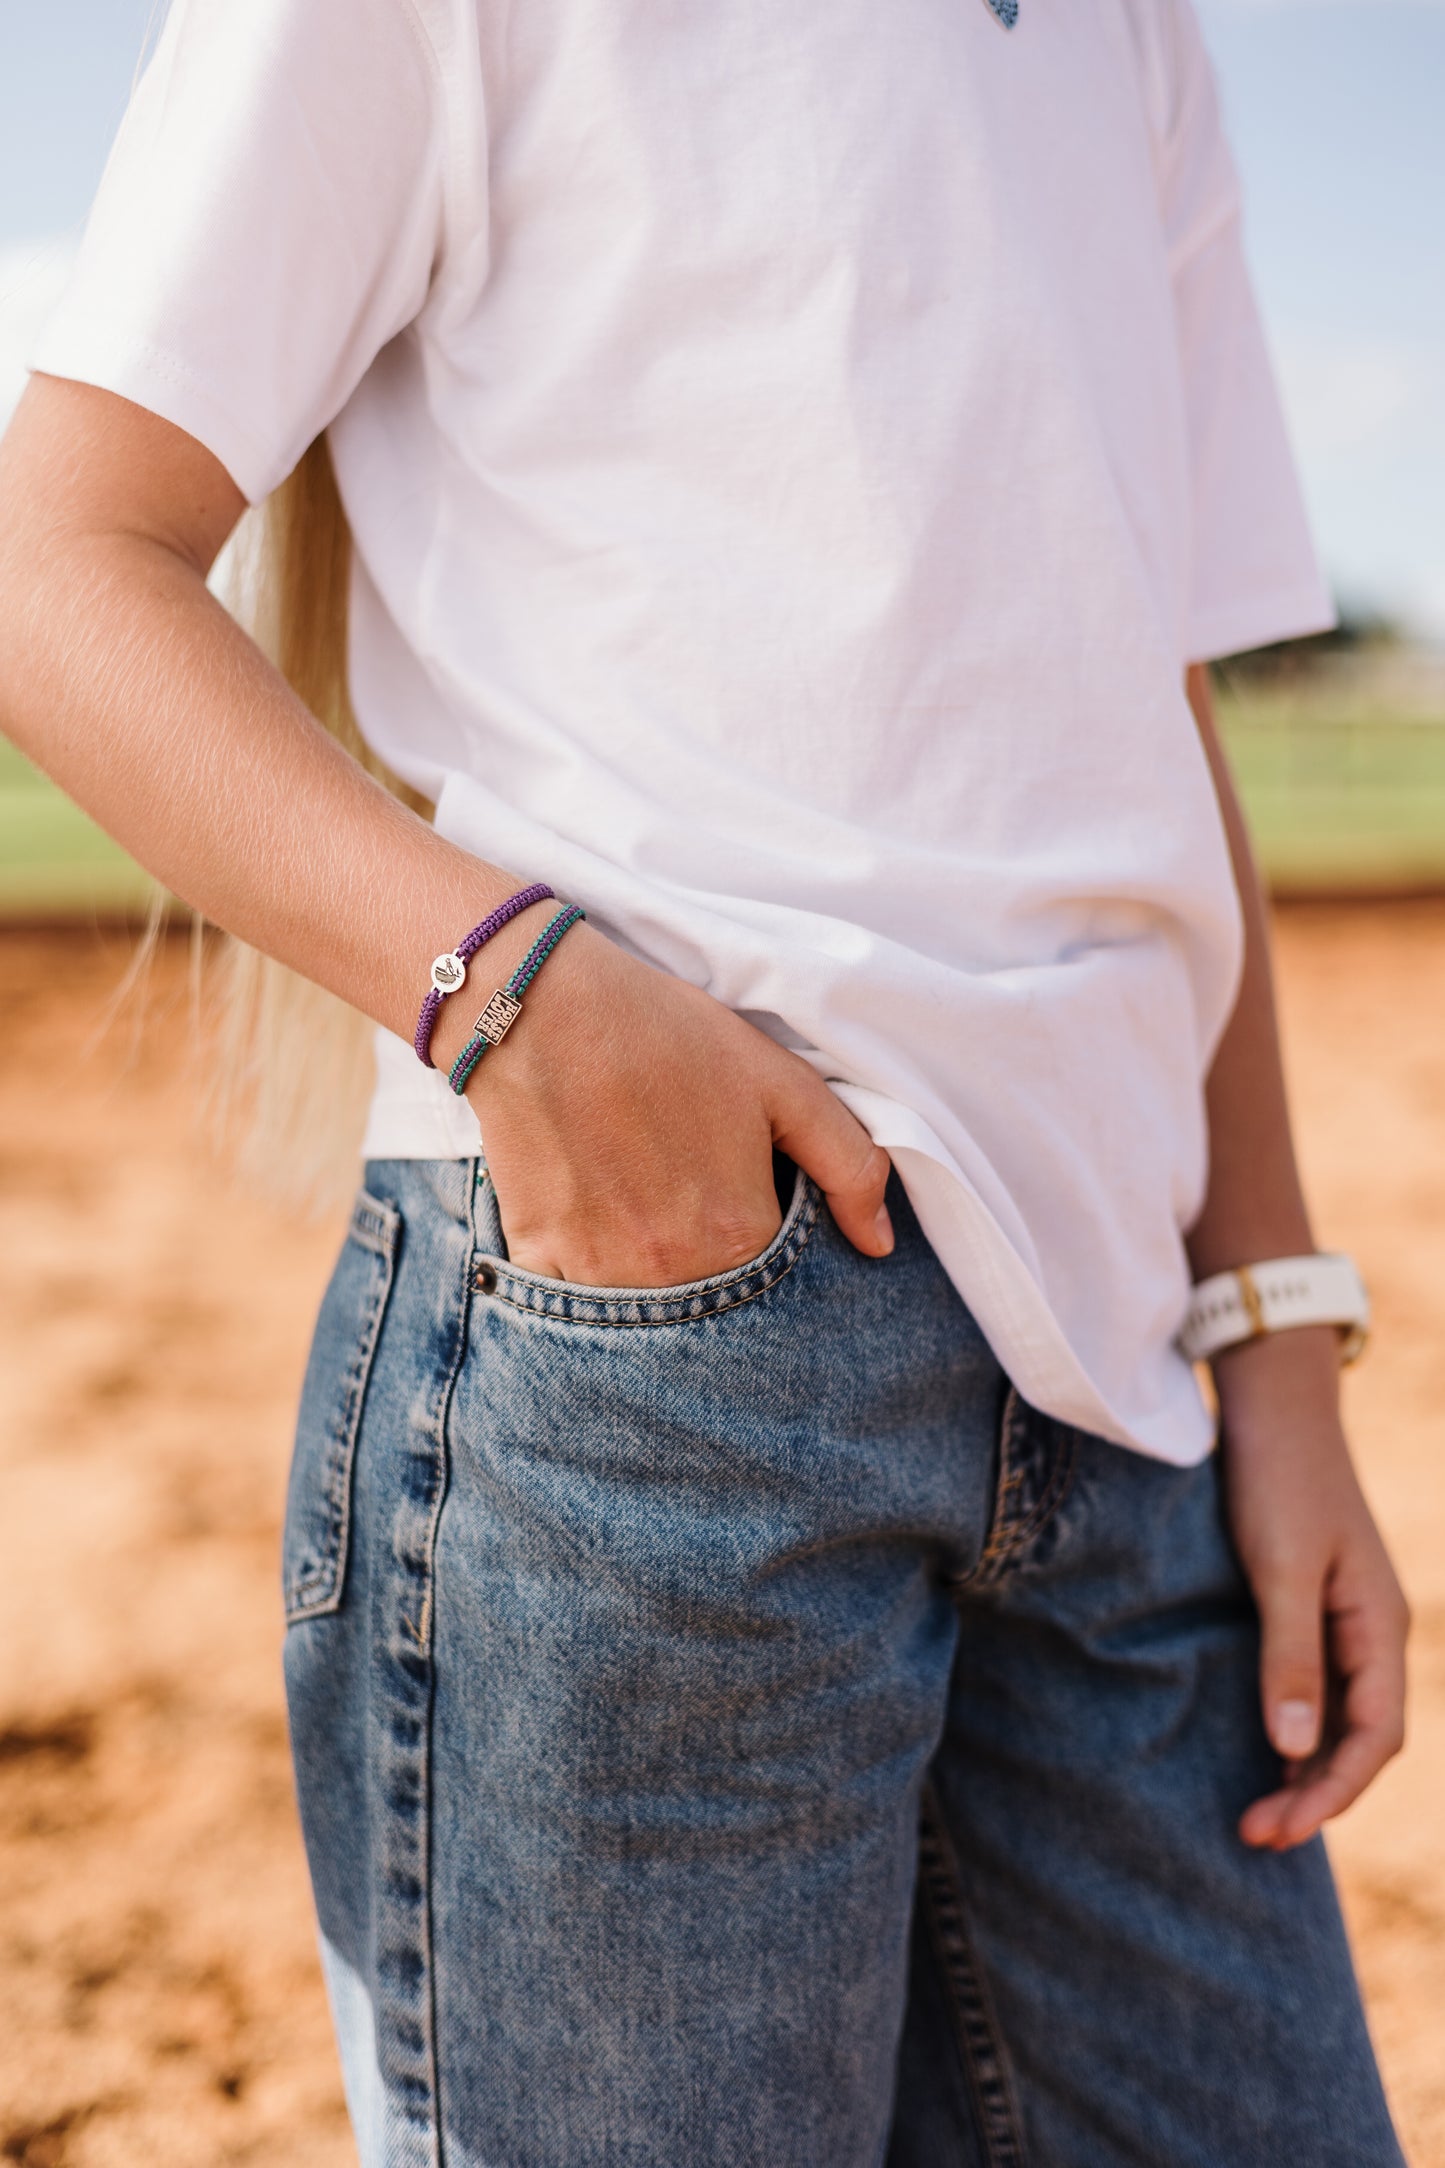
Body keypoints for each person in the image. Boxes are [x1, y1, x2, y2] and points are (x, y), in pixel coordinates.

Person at [0, 0, 1409, 2160]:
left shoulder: (1128, 27)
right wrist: (518, 994)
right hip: (655, 1365)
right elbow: (56, 564)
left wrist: (1276, 1339)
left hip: (1128, 1394)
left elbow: (1152, 694)